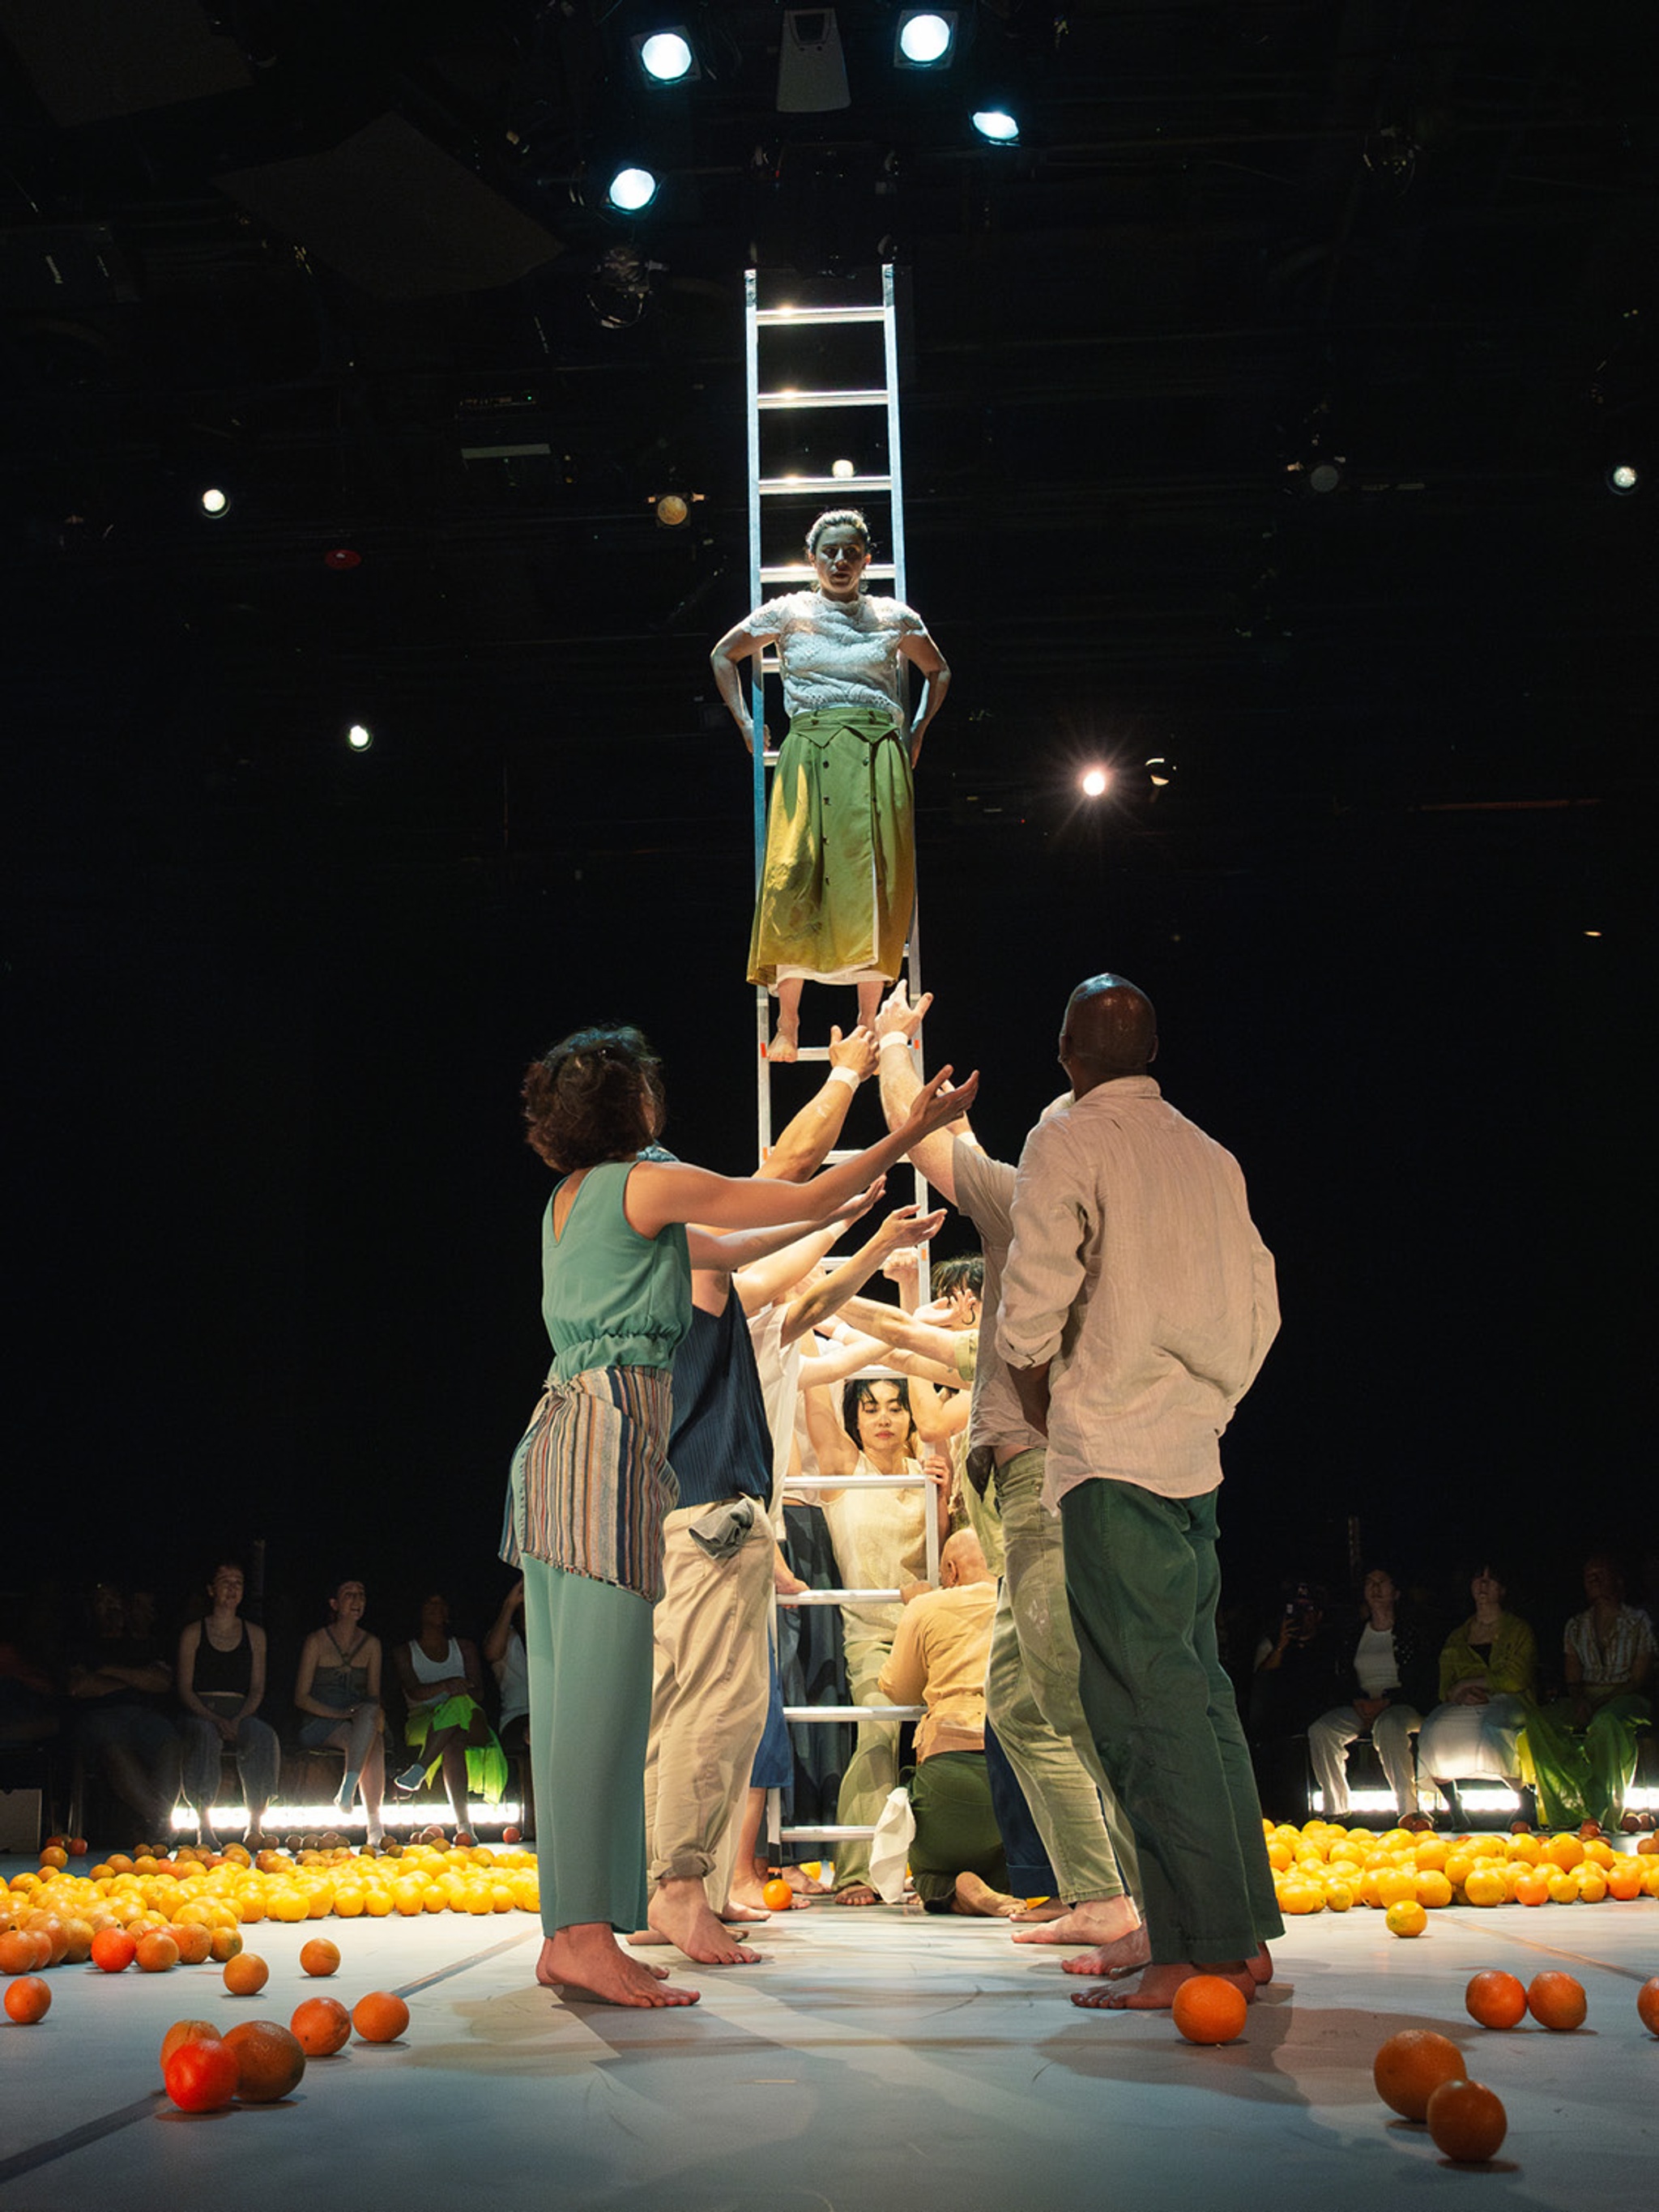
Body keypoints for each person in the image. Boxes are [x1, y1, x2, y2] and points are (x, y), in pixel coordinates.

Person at [505, 1019, 975, 2007]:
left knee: (582, 1704)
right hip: (601, 1449)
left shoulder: (573, 1202)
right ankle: (584, 1935)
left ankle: (574, 1930)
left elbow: (762, 1238)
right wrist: (907, 1134)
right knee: (601, 1703)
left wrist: (852, 1222)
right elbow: (799, 1193)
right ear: (632, 1105)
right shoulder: (642, 1181)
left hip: (567, 1444)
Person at [997, 972, 1282, 2012]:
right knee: (1198, 1692)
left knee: (1139, 1707)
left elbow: (1030, 1301)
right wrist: (1202, 1405)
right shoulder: (1210, 1153)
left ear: (1067, 1052)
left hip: (1110, 1451)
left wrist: (1049, 1400)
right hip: (1191, 1453)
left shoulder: (1068, 1135)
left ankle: (1190, 1953)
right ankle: (1236, 1937)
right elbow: (1260, 1308)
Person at [873, 982, 1147, 1975]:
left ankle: (1145, 1900)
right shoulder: (1136, 1195)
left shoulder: (1035, 1200)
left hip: (1046, 1474)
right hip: (1056, 1474)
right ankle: (1104, 1890)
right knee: (1021, 1703)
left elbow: (928, 1138)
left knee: (1072, 1698)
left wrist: (894, 1042)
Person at [710, 508, 949, 1060]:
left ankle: (867, 1021)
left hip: (875, 752)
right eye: (830, 552)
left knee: (875, 881)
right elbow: (724, 655)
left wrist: (916, 731)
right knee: (795, 876)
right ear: (811, 557)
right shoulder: (790, 611)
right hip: (810, 750)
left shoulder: (893, 616)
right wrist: (747, 726)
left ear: (866, 558)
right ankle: (789, 1021)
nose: (840, 561)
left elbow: (938, 670)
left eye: (851, 552)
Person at [803, 1372, 949, 1903]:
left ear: (913, 1416)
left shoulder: (927, 1470)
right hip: (871, 1637)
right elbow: (813, 1386)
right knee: (879, 1734)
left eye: (895, 1406)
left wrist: (945, 1492)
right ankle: (857, 1872)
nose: (884, 1418)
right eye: (871, 1408)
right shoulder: (845, 1468)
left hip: (932, 1633)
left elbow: (947, 1555)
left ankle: (946, 1872)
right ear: (855, 1418)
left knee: (956, 1737)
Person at [876, 1530, 1009, 1912]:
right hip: (1014, 1772)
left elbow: (897, 1688)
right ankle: (1000, 1884)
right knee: (1022, 1861)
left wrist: (916, 1609)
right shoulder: (1016, 1603)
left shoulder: (928, 1606)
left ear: (950, 1570)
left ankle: (952, 1888)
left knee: (926, 1873)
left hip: (948, 1772)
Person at [1522, 1551, 1654, 1833]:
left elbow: (1638, 1679)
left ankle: (1602, 1813)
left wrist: (1600, 1703)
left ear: (1617, 1581)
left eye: (1600, 1573)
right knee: (1540, 1721)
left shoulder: (1639, 1621)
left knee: (1606, 1722)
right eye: (1588, 1575)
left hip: (1626, 1697)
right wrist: (1581, 1700)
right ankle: (1566, 1811)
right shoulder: (1576, 1625)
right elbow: (1573, 1676)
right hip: (1588, 1696)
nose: (1593, 1579)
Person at [1307, 1566, 1431, 1825]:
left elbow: (1422, 1679)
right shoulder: (1354, 1634)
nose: (1375, 1588)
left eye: (1382, 1582)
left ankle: (1408, 1811)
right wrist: (1357, 1700)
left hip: (1401, 1705)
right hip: (1362, 1704)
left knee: (1388, 1726)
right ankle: (1335, 1809)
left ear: (1396, 1592)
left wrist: (1387, 1701)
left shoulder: (1412, 1632)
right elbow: (1342, 1677)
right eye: (1370, 1582)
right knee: (1322, 1730)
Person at [1416, 1562, 1536, 1826]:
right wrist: (1460, 1694)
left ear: (1502, 1589)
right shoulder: (1459, 1635)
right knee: (1434, 1728)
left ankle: (1524, 1799)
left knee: (1490, 1726)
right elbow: (1445, 1686)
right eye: (1478, 1579)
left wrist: (1475, 1684)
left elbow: (1516, 1678)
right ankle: (1454, 1805)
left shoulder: (1518, 1630)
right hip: (1464, 1702)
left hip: (1508, 1698)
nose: (1483, 1585)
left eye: (1490, 1580)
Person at [66, 1581, 180, 1845]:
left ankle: (154, 1829)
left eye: (114, 1599)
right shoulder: (82, 1643)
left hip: (143, 1715)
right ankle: (162, 1820)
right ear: (91, 1607)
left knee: (171, 1742)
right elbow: (79, 1687)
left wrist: (107, 1672)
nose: (111, 1607)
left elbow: (161, 1682)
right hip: (99, 1716)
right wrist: (137, 1678)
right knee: (114, 1747)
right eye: (102, 1601)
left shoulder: (144, 1643)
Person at [177, 1561, 279, 1850]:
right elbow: (185, 1689)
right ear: (211, 1589)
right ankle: (203, 1825)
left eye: (239, 1582)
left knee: (262, 1735)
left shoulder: (255, 1635)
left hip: (241, 1711)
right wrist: (213, 1718)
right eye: (226, 1581)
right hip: (202, 1709)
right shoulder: (194, 1633)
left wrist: (238, 1718)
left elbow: (258, 1688)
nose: (233, 1588)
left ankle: (256, 1823)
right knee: (204, 1735)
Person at [392, 1594, 508, 1838]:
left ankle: (421, 1768)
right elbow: (413, 1691)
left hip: (469, 1718)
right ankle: (465, 1826)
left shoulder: (463, 1647)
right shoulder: (405, 1651)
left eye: (441, 1604)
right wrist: (447, 1685)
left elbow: (478, 1693)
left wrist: (457, 1691)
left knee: (458, 1704)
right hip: (424, 1720)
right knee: (453, 1742)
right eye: (430, 1603)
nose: (437, 1608)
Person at [293, 1579, 386, 1845]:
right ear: (335, 1603)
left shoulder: (372, 1644)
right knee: (367, 1737)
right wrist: (340, 1714)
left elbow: (373, 1695)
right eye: (349, 1595)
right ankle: (370, 1819)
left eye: (361, 1594)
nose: (357, 1600)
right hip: (319, 1720)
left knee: (373, 1732)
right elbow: (301, 1697)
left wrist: (362, 1715)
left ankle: (363, 1810)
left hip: (358, 1719)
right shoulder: (317, 1641)